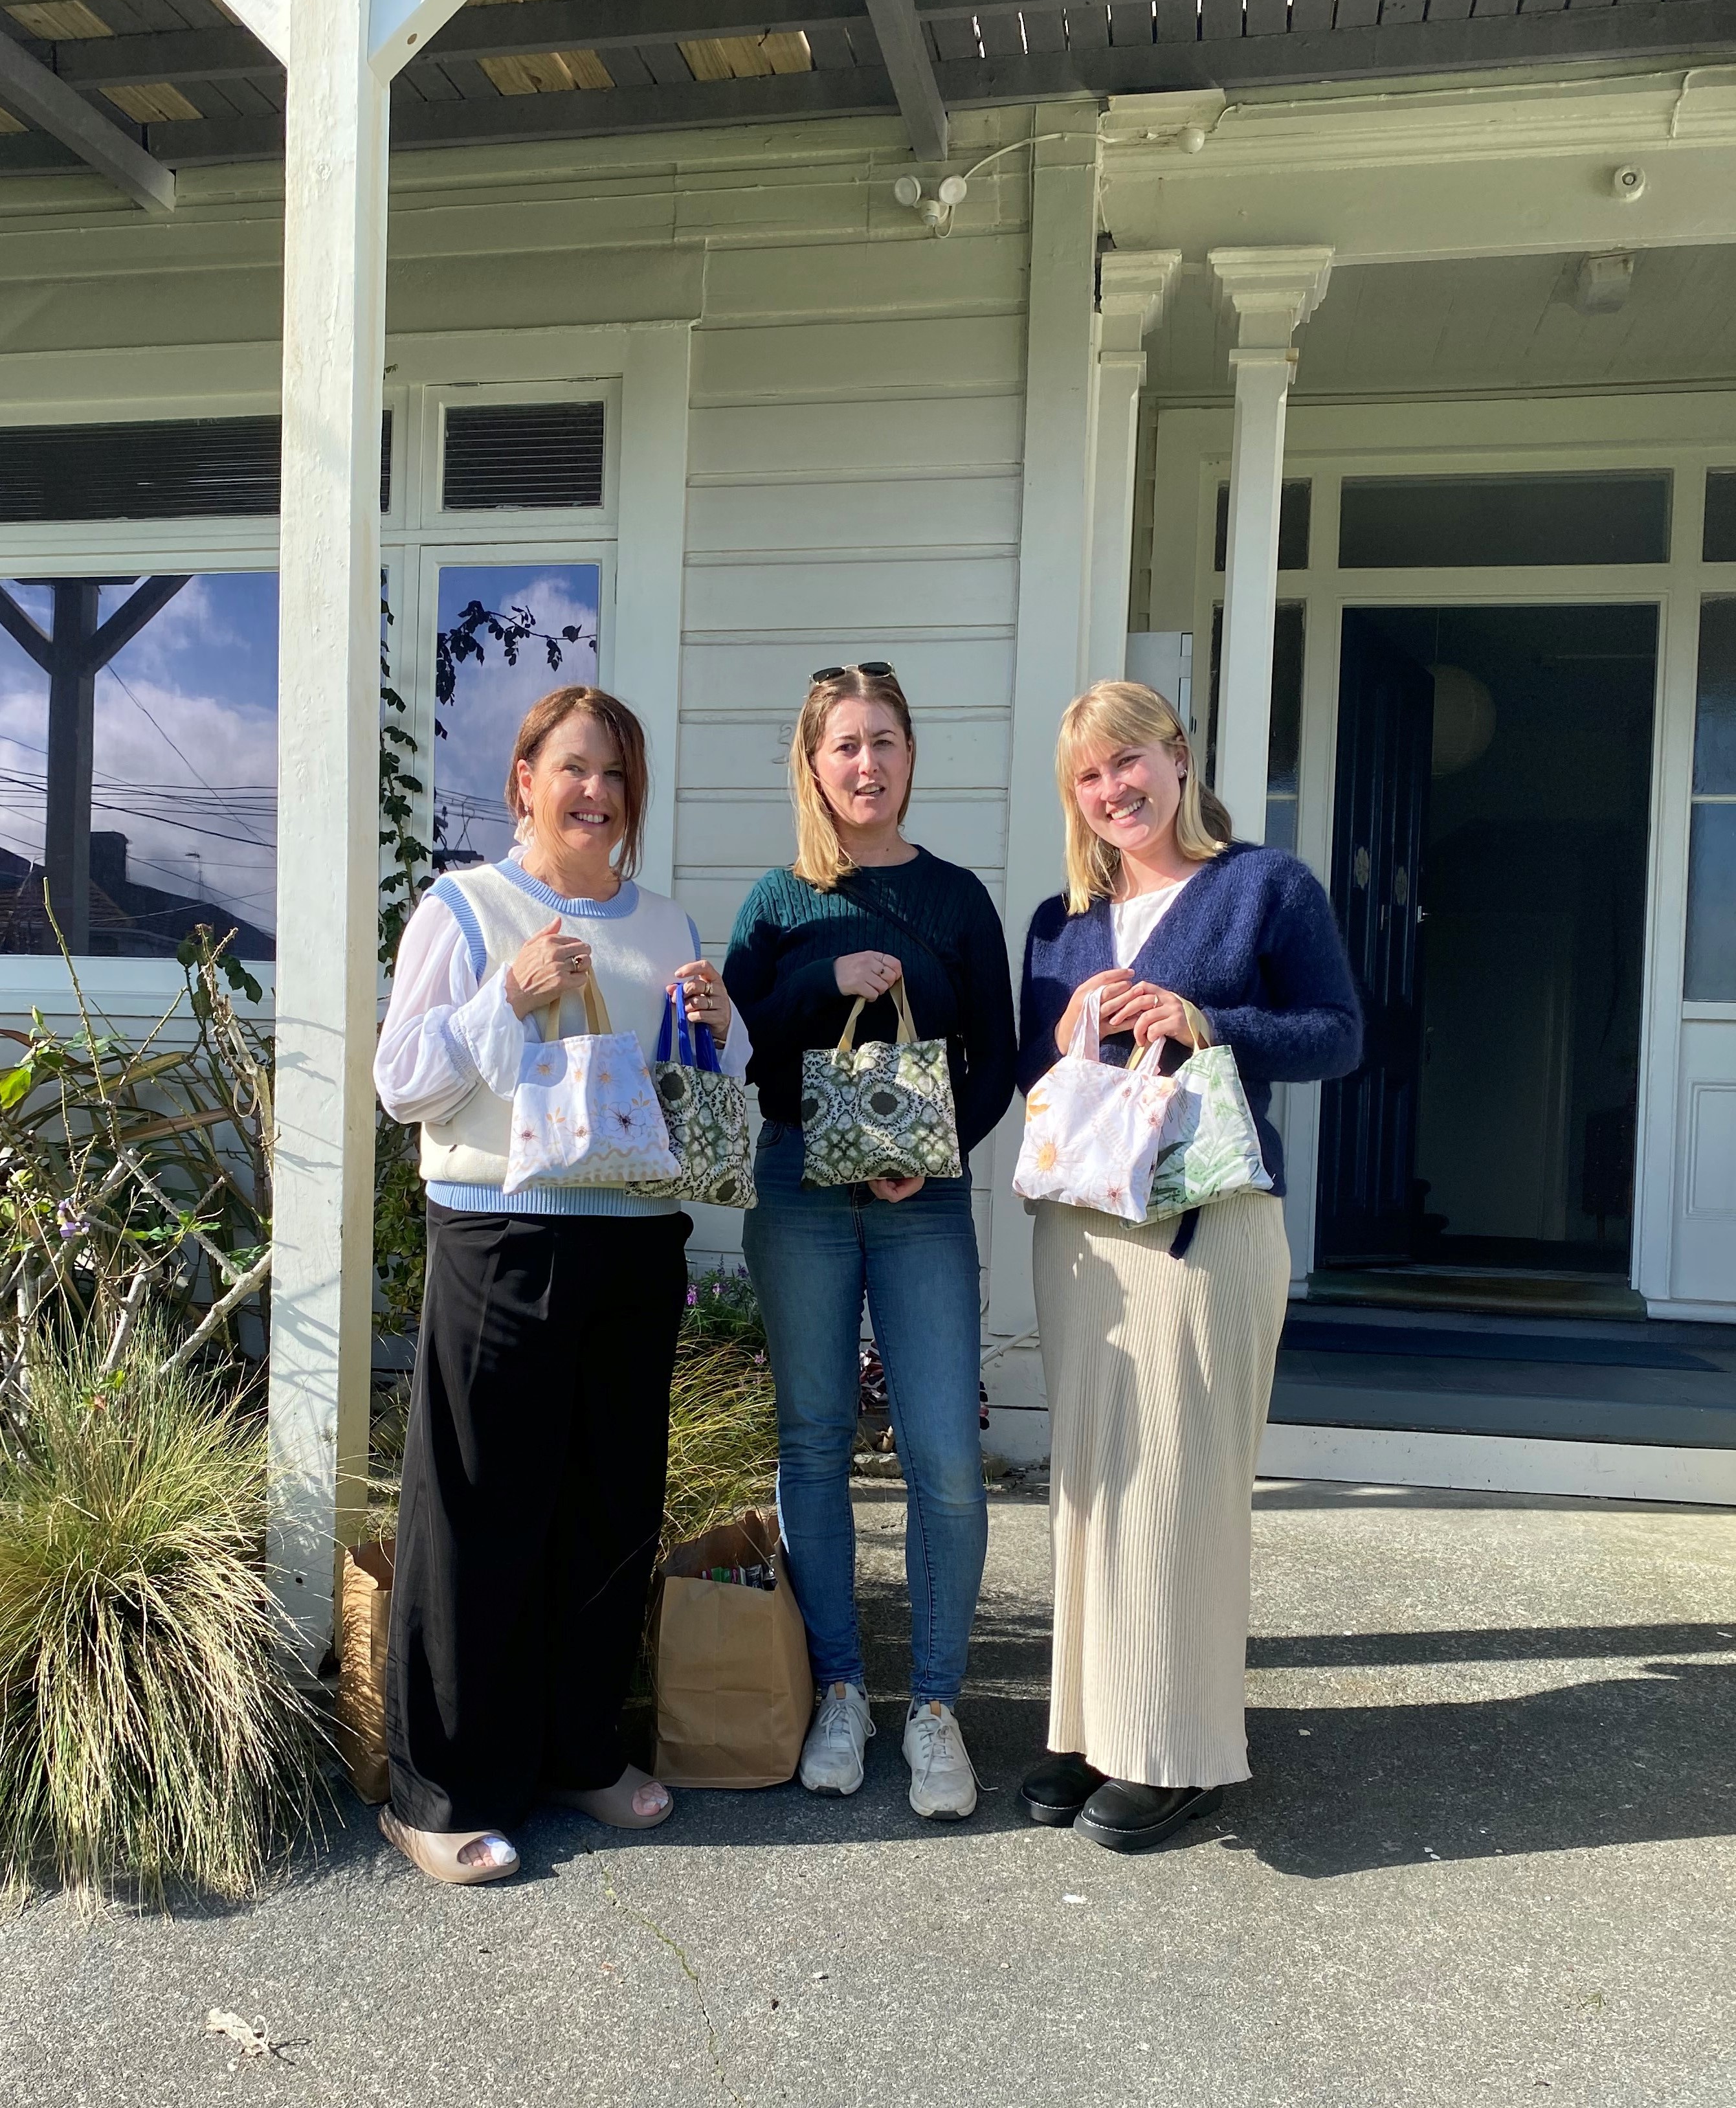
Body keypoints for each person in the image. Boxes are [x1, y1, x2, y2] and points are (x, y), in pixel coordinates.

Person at [373, 684, 747, 1885]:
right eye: (574, 769)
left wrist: (717, 1020)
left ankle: (578, 1751)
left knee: (607, 1507)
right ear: (524, 777)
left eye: (617, 776)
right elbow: (401, 1083)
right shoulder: (465, 910)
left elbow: (691, 1092)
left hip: (635, 1243)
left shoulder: (665, 918)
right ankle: (441, 1793)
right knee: (480, 1511)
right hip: (502, 1237)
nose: (596, 794)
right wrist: (509, 994)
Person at [1015, 680, 1361, 1854]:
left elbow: (1338, 1032)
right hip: (1082, 1237)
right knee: (1092, 1488)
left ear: (1177, 756)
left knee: (1179, 1491)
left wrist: (1209, 1020)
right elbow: (1033, 1075)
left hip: (1207, 1226)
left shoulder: (1266, 884)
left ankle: (1175, 1752)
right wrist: (1067, 1035)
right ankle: (1087, 1722)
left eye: (1130, 763)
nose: (1114, 791)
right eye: (1088, 777)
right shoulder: (1058, 921)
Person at [723, 664, 1016, 1821]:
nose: (866, 763)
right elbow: (741, 1053)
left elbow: (995, 1057)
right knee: (814, 1443)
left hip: (921, 1199)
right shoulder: (779, 900)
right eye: (843, 744)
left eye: (884, 740)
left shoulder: (955, 899)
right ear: (812, 763)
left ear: (910, 755)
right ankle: (840, 1688)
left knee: (943, 1453)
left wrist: (933, 1152)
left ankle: (934, 1708)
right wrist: (818, 981)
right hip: (799, 1187)